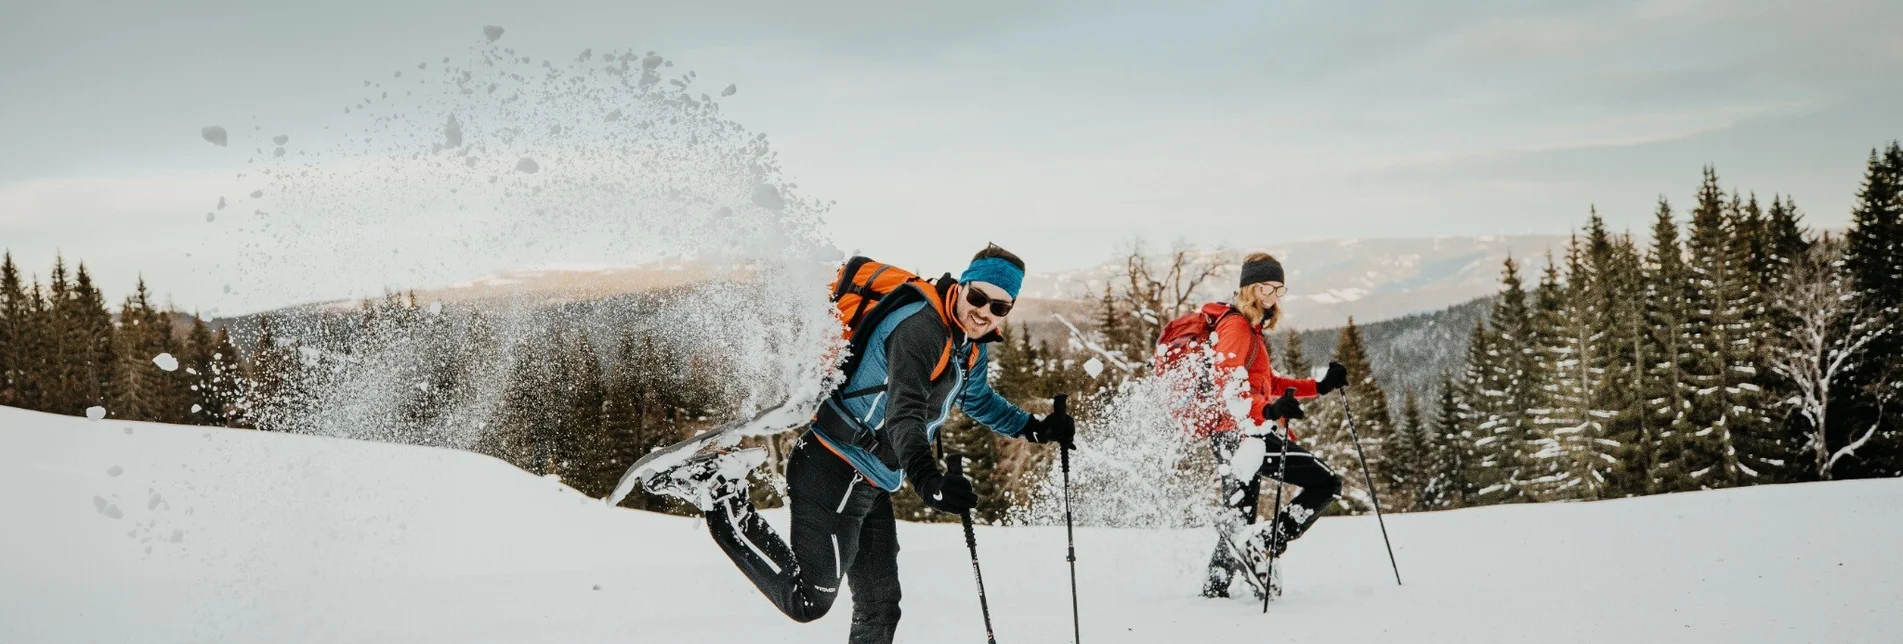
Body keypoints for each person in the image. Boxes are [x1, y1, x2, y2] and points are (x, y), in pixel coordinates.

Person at [650, 244, 1075, 644]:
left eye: (998, 307)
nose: (984, 312)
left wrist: (1035, 428)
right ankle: (720, 493)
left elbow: (977, 398)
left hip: (872, 481)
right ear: (963, 285)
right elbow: (903, 411)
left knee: (880, 608)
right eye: (979, 297)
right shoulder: (922, 330)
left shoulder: (967, 343)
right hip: (832, 468)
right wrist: (929, 480)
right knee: (808, 600)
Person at [1161, 251, 1350, 599]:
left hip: (1234, 434)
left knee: (1238, 518)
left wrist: (1318, 387)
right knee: (1326, 482)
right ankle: (1264, 543)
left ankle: (1214, 591)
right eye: (1266, 288)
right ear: (1249, 288)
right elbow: (1228, 390)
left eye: (1279, 289)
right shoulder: (1236, 326)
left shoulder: (1250, 328)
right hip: (1243, 434)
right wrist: (1266, 411)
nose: (1273, 297)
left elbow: (1268, 383)